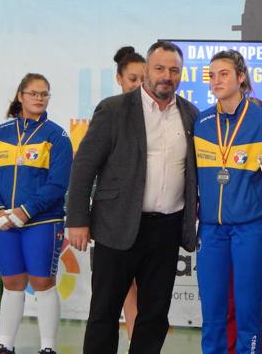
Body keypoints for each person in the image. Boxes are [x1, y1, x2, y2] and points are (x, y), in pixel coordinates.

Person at [66, 41, 198, 354]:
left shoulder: (191, 115)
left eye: (174, 70)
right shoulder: (113, 110)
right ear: (147, 72)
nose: (167, 75)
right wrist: (78, 220)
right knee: (104, 313)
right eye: (160, 68)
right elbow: (83, 168)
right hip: (116, 226)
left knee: (154, 316)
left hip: (167, 230)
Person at [194, 49, 262, 354]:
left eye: (224, 74)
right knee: (213, 313)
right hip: (211, 230)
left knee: (247, 312)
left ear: (241, 77)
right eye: (212, 74)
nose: (216, 80)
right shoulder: (201, 122)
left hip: (250, 229)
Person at [0, 73, 73, 354]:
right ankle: (5, 345)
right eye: (33, 93)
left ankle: (47, 348)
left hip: (43, 221)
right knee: (12, 282)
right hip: (5, 222)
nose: (39, 98)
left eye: (44, 94)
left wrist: (25, 211)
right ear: (20, 96)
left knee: (42, 282)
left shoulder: (57, 136)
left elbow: (58, 183)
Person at [226, 97, 262, 354]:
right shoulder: (225, 139)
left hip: (257, 228)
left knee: (261, 299)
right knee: (228, 300)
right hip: (224, 229)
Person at [111, 45, 146, 344]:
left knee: (142, 291)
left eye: (142, 79)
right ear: (120, 79)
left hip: (149, 220)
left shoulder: (158, 114)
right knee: (120, 291)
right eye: (132, 78)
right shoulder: (108, 112)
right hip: (116, 220)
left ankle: (138, 343)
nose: (137, 85)